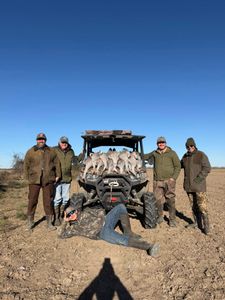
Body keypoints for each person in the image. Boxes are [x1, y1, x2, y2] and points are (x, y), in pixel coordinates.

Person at [58, 197, 160, 257]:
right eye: (69, 215)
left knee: (120, 207)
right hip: (102, 232)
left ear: (76, 210)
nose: (72, 214)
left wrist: (102, 217)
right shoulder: (74, 228)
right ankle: (148, 247)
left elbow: (100, 211)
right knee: (121, 240)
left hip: (106, 220)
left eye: (72, 212)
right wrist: (64, 221)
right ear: (68, 217)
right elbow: (61, 235)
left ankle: (128, 232)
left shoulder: (86, 211)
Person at [24, 133, 61, 231]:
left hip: (48, 179)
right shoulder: (31, 151)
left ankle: (49, 224)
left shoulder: (51, 151)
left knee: (48, 201)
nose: (41, 141)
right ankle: (30, 222)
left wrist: (58, 175)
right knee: (32, 200)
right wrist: (27, 177)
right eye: (39, 139)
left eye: (43, 139)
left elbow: (57, 163)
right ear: (36, 140)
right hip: (34, 180)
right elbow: (26, 165)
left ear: (45, 140)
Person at [144, 136, 181, 227]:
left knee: (170, 200)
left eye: (163, 142)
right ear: (157, 144)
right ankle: (159, 217)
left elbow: (178, 166)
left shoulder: (172, 153)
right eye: (159, 143)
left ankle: (172, 220)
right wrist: (135, 153)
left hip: (169, 181)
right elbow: (145, 156)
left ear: (165, 143)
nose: (161, 144)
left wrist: (173, 178)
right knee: (157, 200)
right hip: (157, 181)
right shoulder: (155, 153)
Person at [181, 137, 211, 234]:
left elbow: (207, 168)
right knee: (193, 206)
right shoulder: (185, 157)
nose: (190, 147)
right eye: (188, 146)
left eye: (191, 145)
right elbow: (178, 165)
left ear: (194, 145)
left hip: (199, 187)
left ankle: (206, 226)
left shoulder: (201, 155)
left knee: (202, 207)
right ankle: (197, 223)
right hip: (189, 187)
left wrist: (199, 179)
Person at [53, 136, 75, 226]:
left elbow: (74, 161)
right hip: (57, 179)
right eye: (62, 142)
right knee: (57, 199)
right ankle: (56, 218)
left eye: (65, 142)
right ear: (59, 142)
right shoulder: (54, 150)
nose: (64, 144)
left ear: (67, 143)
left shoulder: (71, 151)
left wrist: (81, 157)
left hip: (67, 178)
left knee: (65, 199)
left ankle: (62, 215)